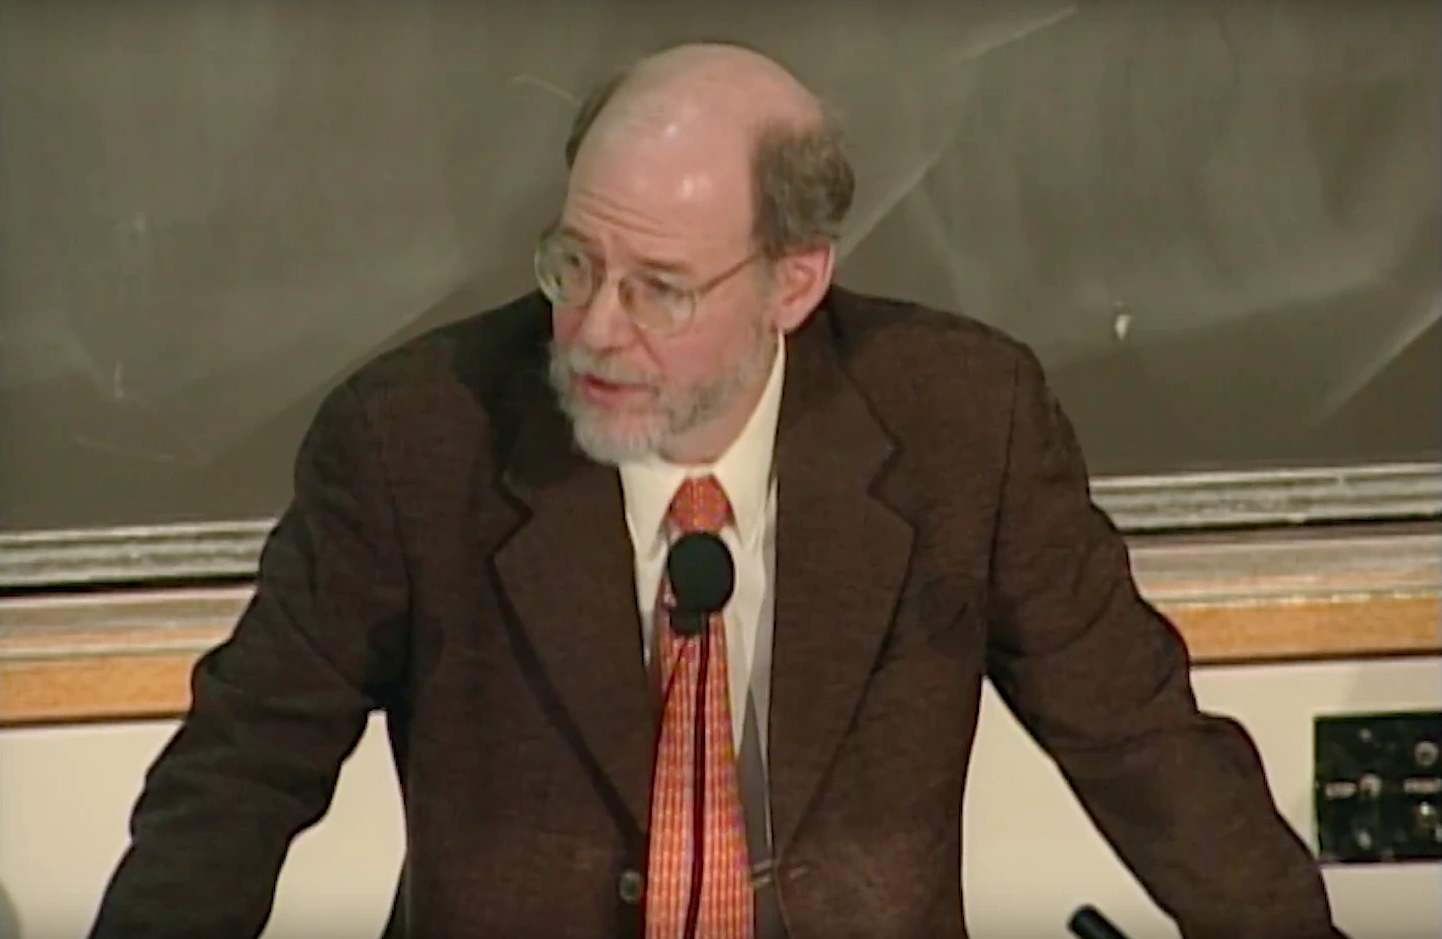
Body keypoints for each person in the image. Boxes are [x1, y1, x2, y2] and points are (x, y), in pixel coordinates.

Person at [88, 42, 1348, 939]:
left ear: (791, 283)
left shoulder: (965, 423)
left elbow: (1146, 749)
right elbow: (239, 772)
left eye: (659, 287)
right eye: (572, 262)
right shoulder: (417, 437)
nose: (590, 327)